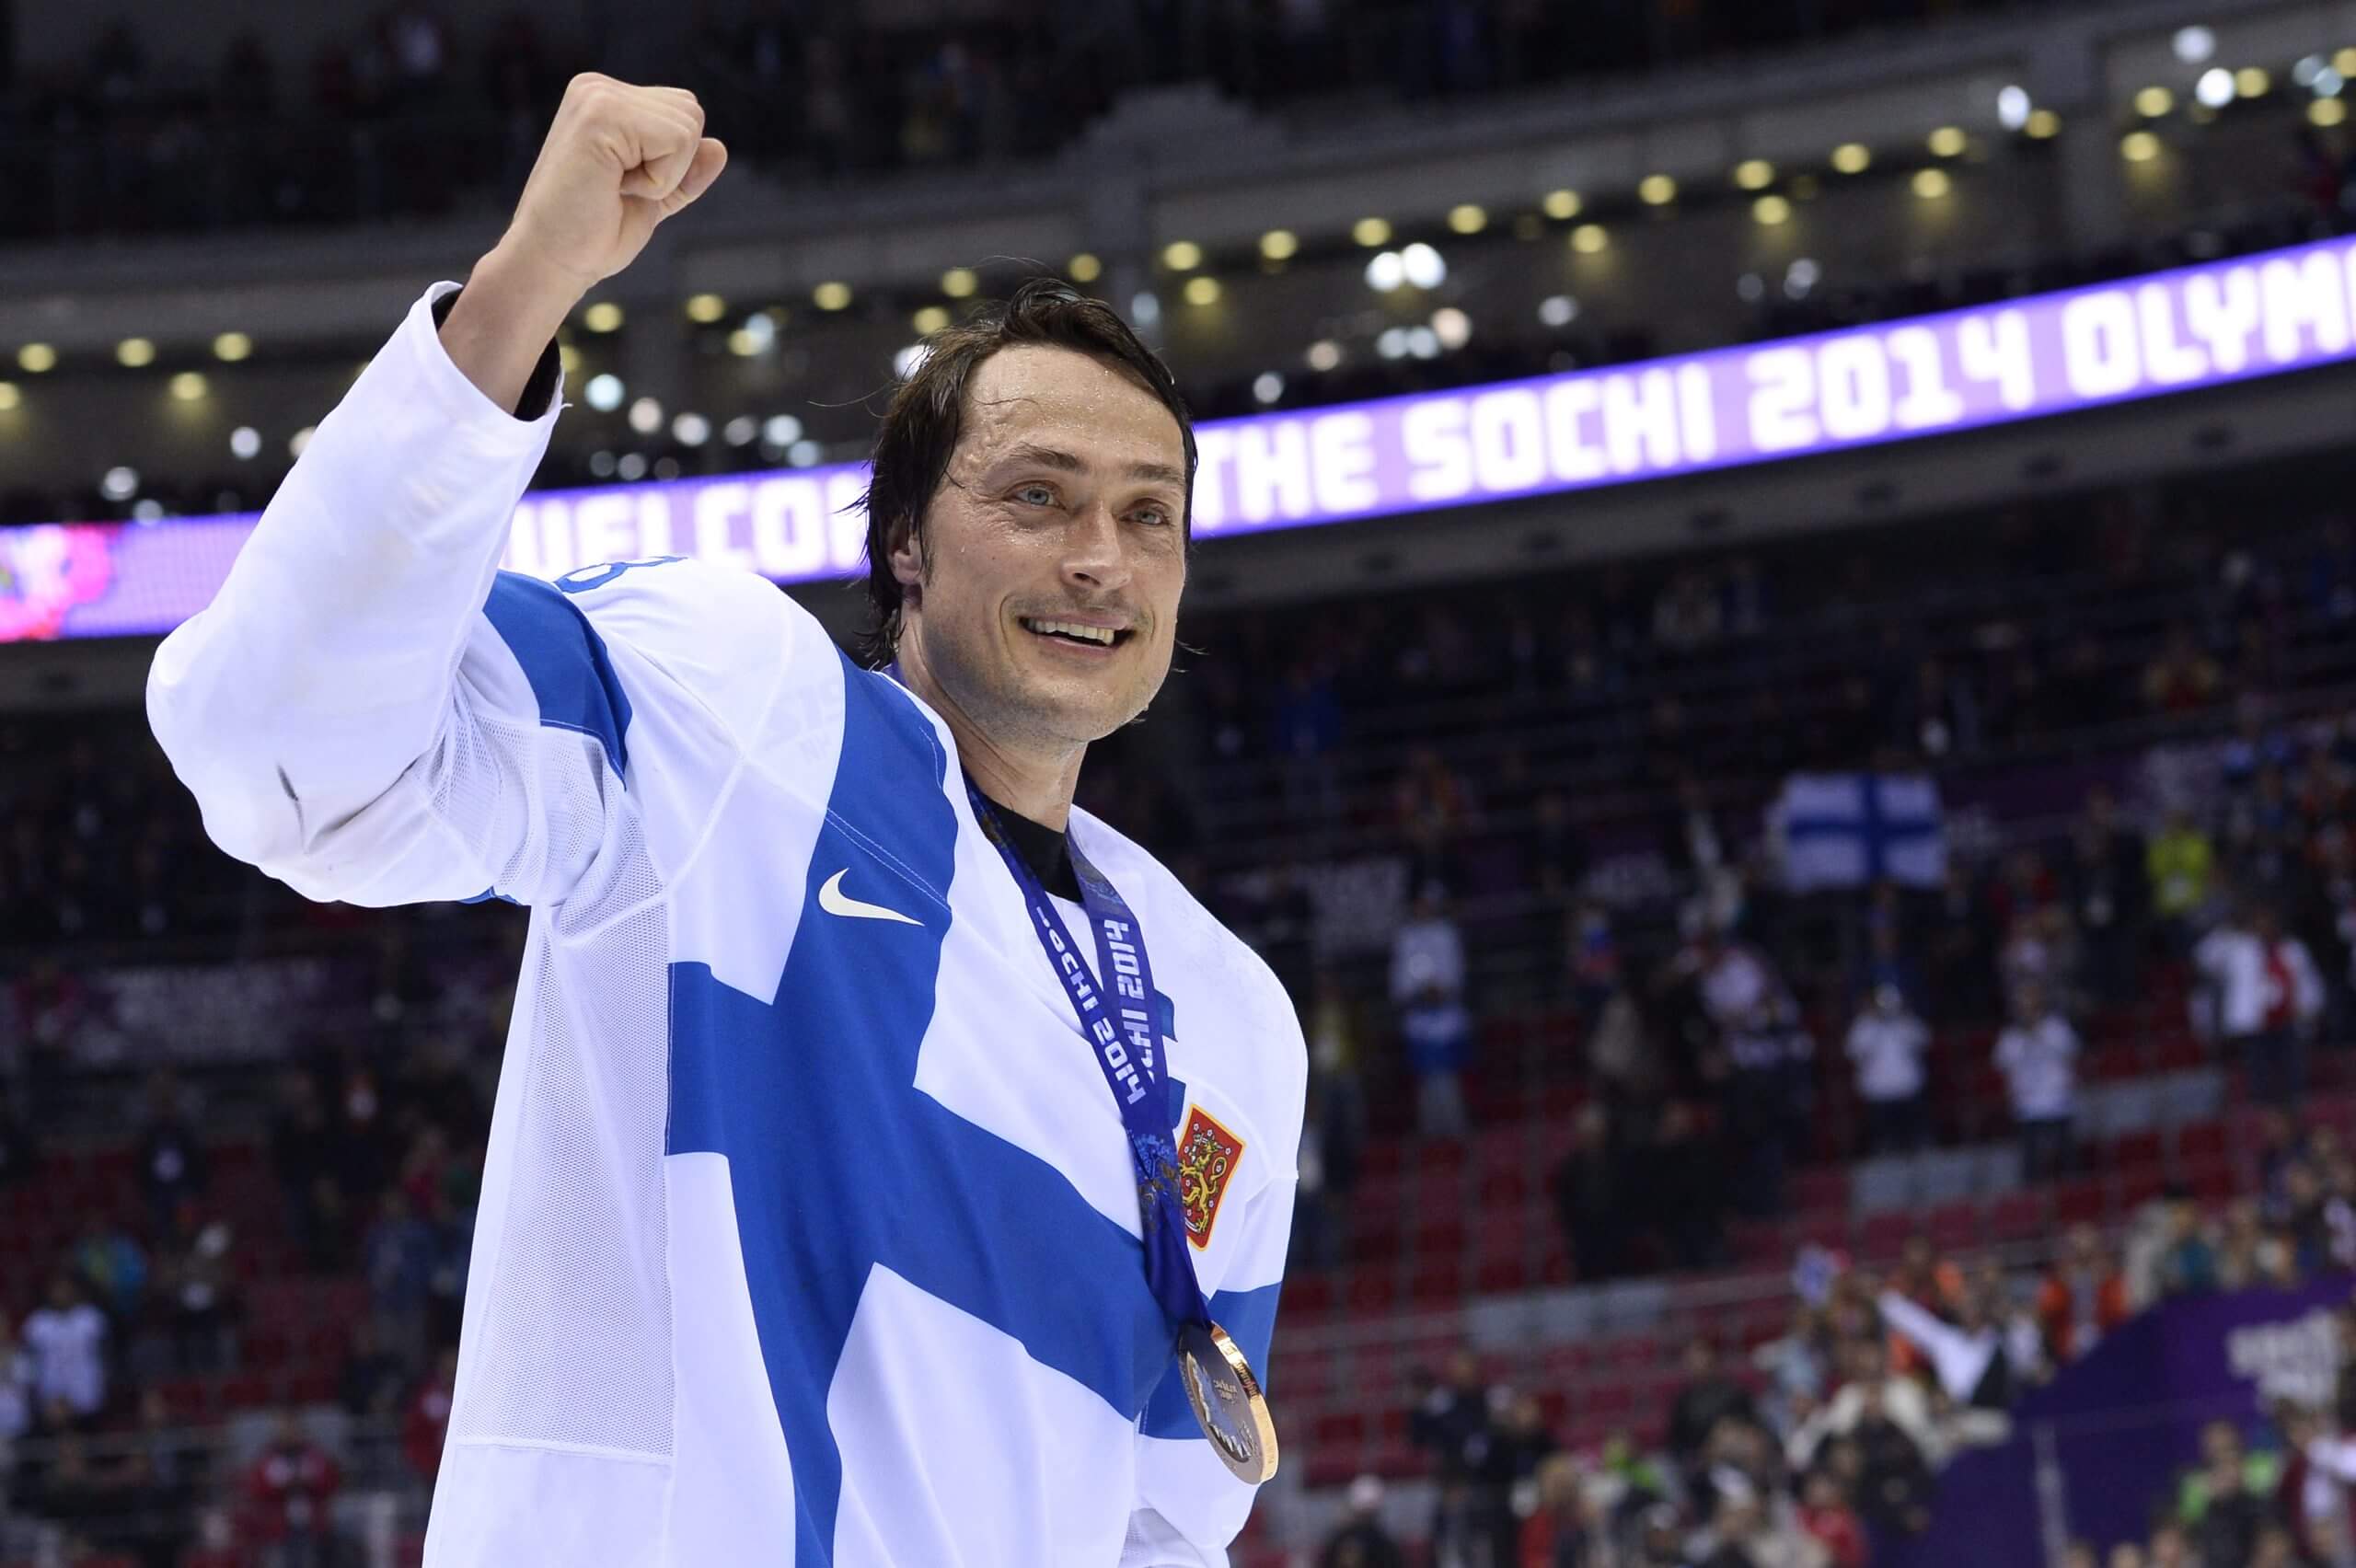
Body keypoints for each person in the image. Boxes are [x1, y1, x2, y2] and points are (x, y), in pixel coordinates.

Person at [147, 74, 1305, 1567]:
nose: (1103, 558)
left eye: (1151, 514)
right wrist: (518, 300)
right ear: (903, 539)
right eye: (1038, 493)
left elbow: (1165, 1511)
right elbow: (287, 749)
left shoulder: (1227, 1016)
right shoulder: (738, 708)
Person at [1994, 983, 2078, 1182]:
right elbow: (2002, 1063)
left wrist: (2039, 1033)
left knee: (2066, 1154)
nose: (2026, 1006)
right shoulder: (2011, 1036)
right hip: (2028, 1101)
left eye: (2030, 1000)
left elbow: (2070, 1052)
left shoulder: (2056, 1027)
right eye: (2021, 1002)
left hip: (2057, 1097)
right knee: (2030, 1158)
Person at [1844, 985, 1931, 1155]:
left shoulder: (1906, 1021)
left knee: (1915, 1129)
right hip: (1878, 1089)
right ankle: (1885, 1150)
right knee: (1883, 1133)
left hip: (1907, 1085)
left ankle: (1920, 1148)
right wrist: (1872, 1022)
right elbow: (1853, 1050)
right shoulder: (1864, 1025)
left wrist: (1905, 1017)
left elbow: (1924, 1040)